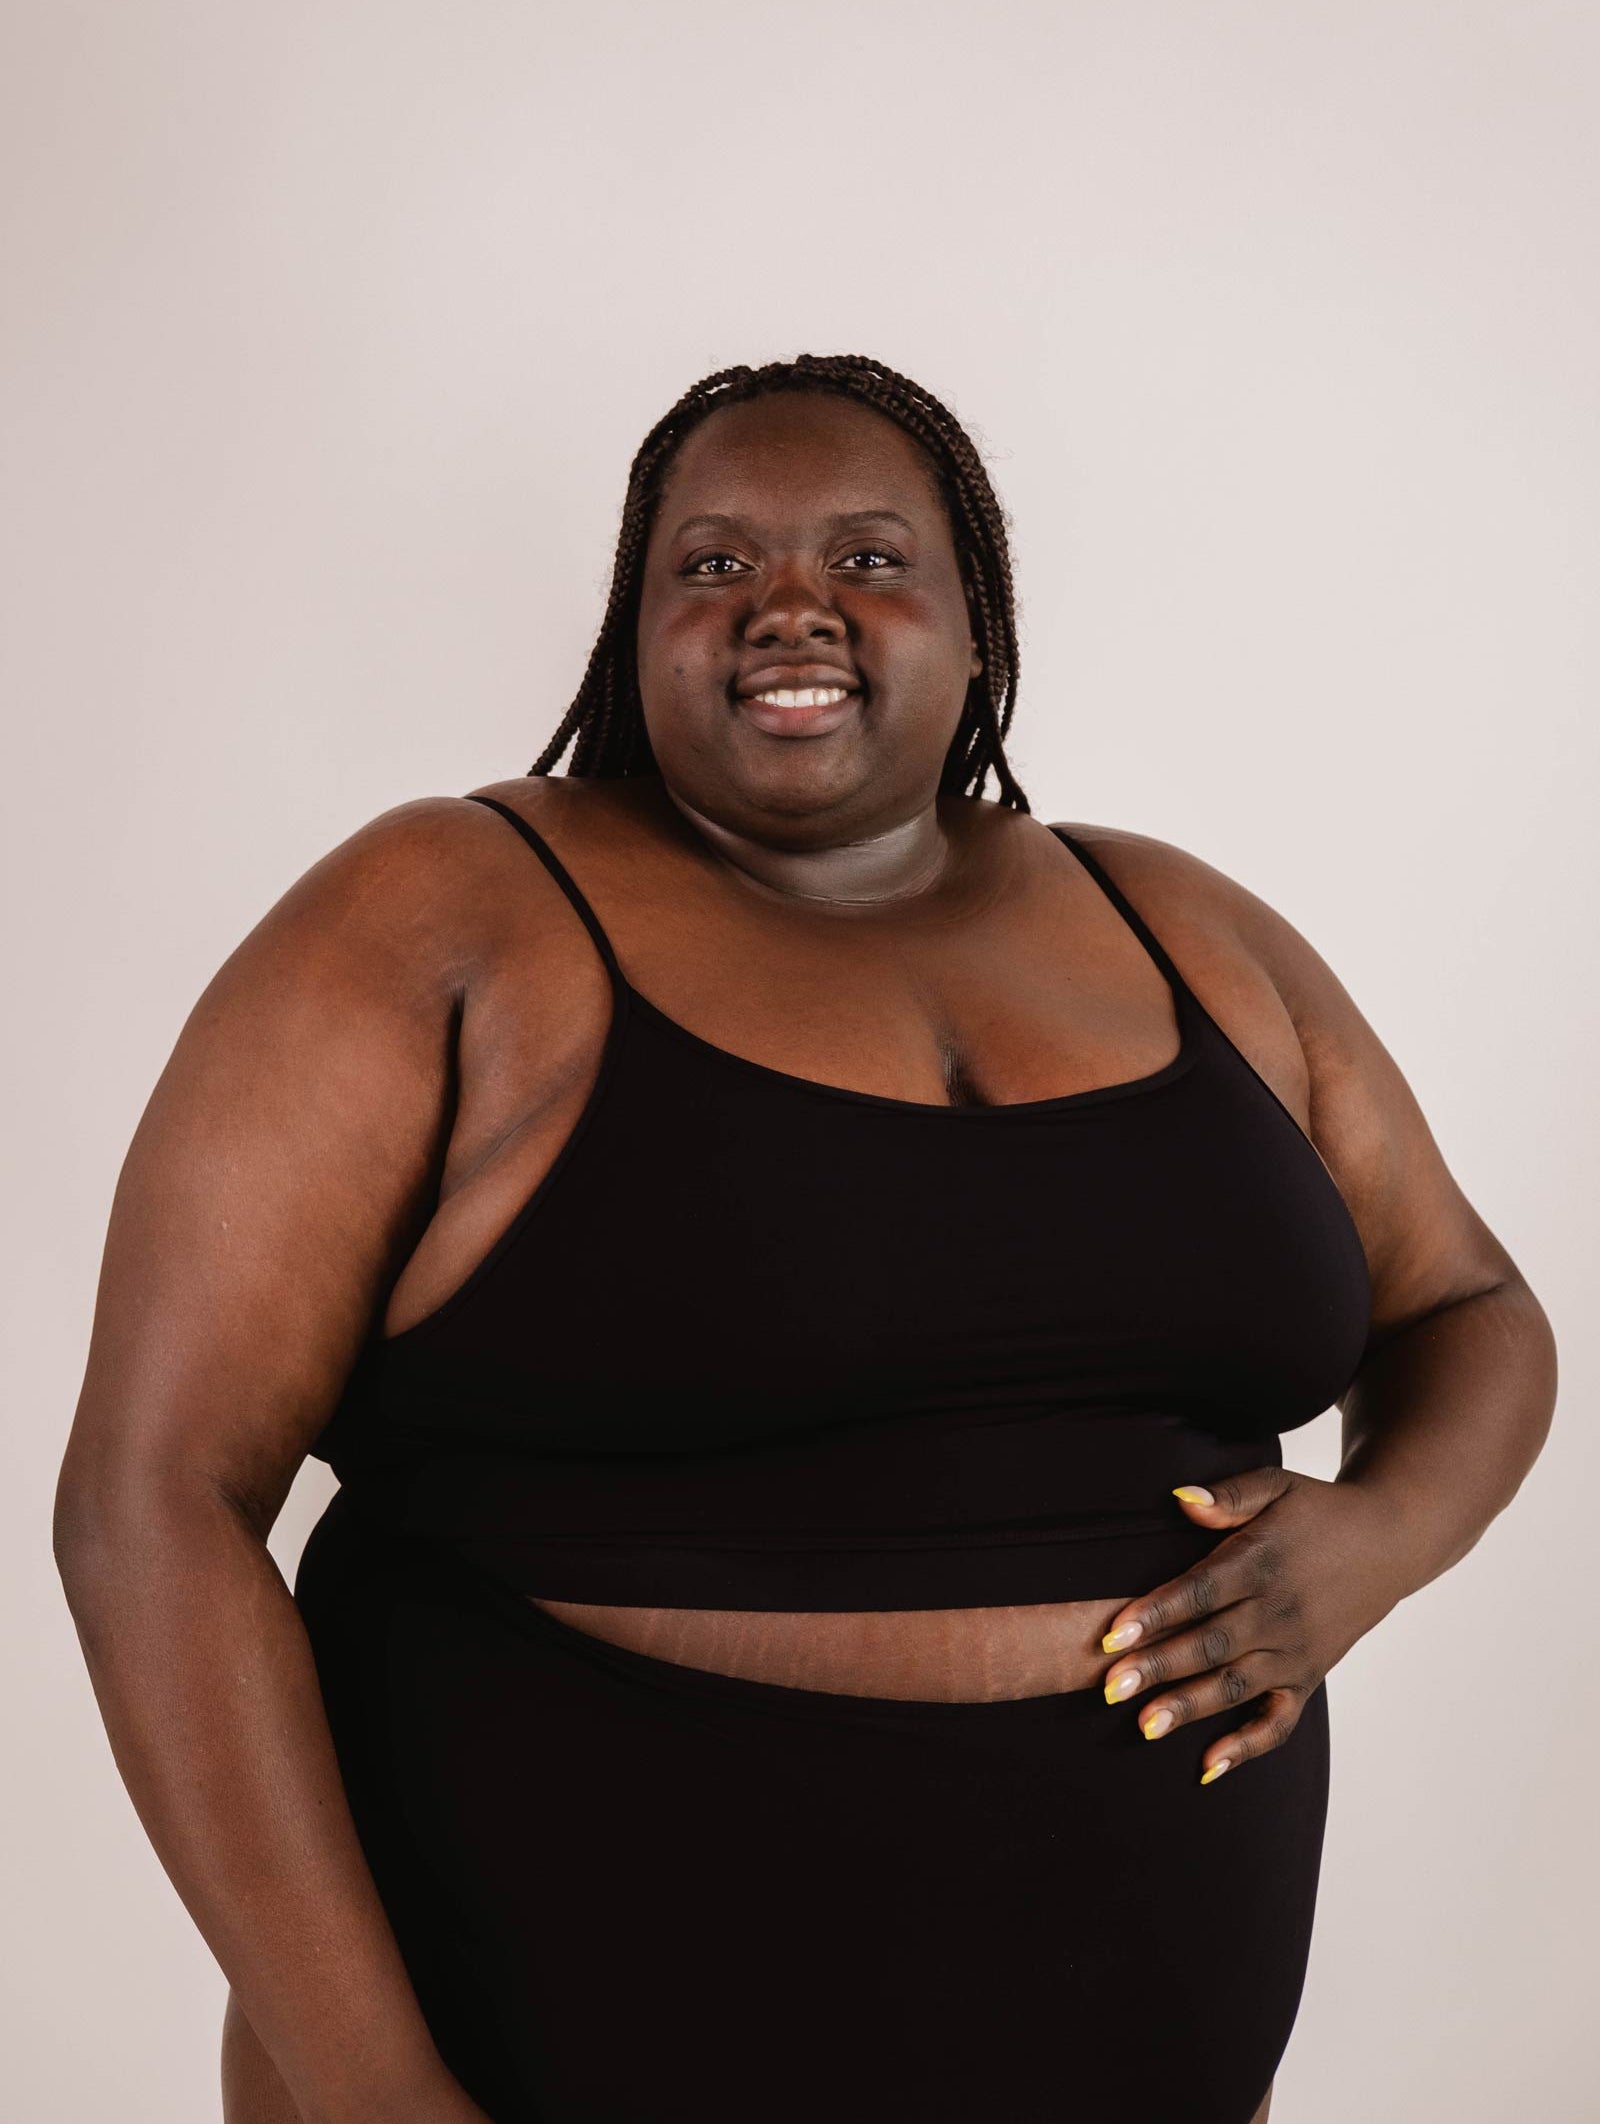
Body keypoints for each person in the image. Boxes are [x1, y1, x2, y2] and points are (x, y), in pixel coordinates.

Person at [54, 354, 1557, 2124]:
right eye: (713, 564)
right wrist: (375, 2097)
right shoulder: (439, 917)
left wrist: (1381, 1537)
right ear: (633, 632)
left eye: (868, 559)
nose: (790, 607)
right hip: (537, 2042)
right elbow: (153, 1504)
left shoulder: (1185, 927)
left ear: (976, 629)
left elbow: (1469, 1304)